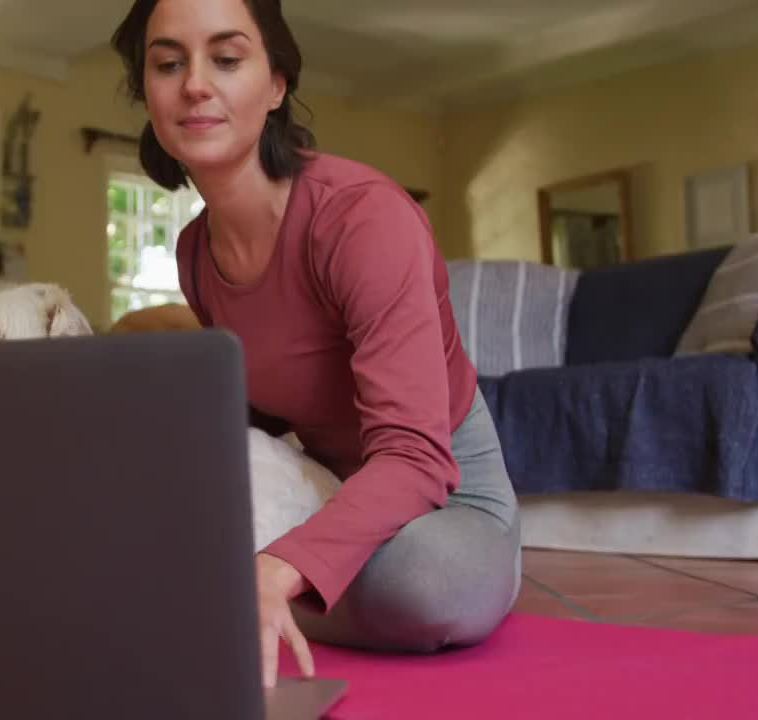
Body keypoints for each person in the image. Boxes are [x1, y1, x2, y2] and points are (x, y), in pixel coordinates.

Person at [111, 0, 522, 688]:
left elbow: (418, 459)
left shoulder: (362, 218)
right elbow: (267, 412)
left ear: (276, 83)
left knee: (425, 585)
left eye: (227, 57)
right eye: (168, 63)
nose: (194, 84)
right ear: (146, 90)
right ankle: (243, 588)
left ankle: (229, 594)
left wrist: (275, 563)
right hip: (331, 495)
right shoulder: (193, 253)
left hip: (444, 497)